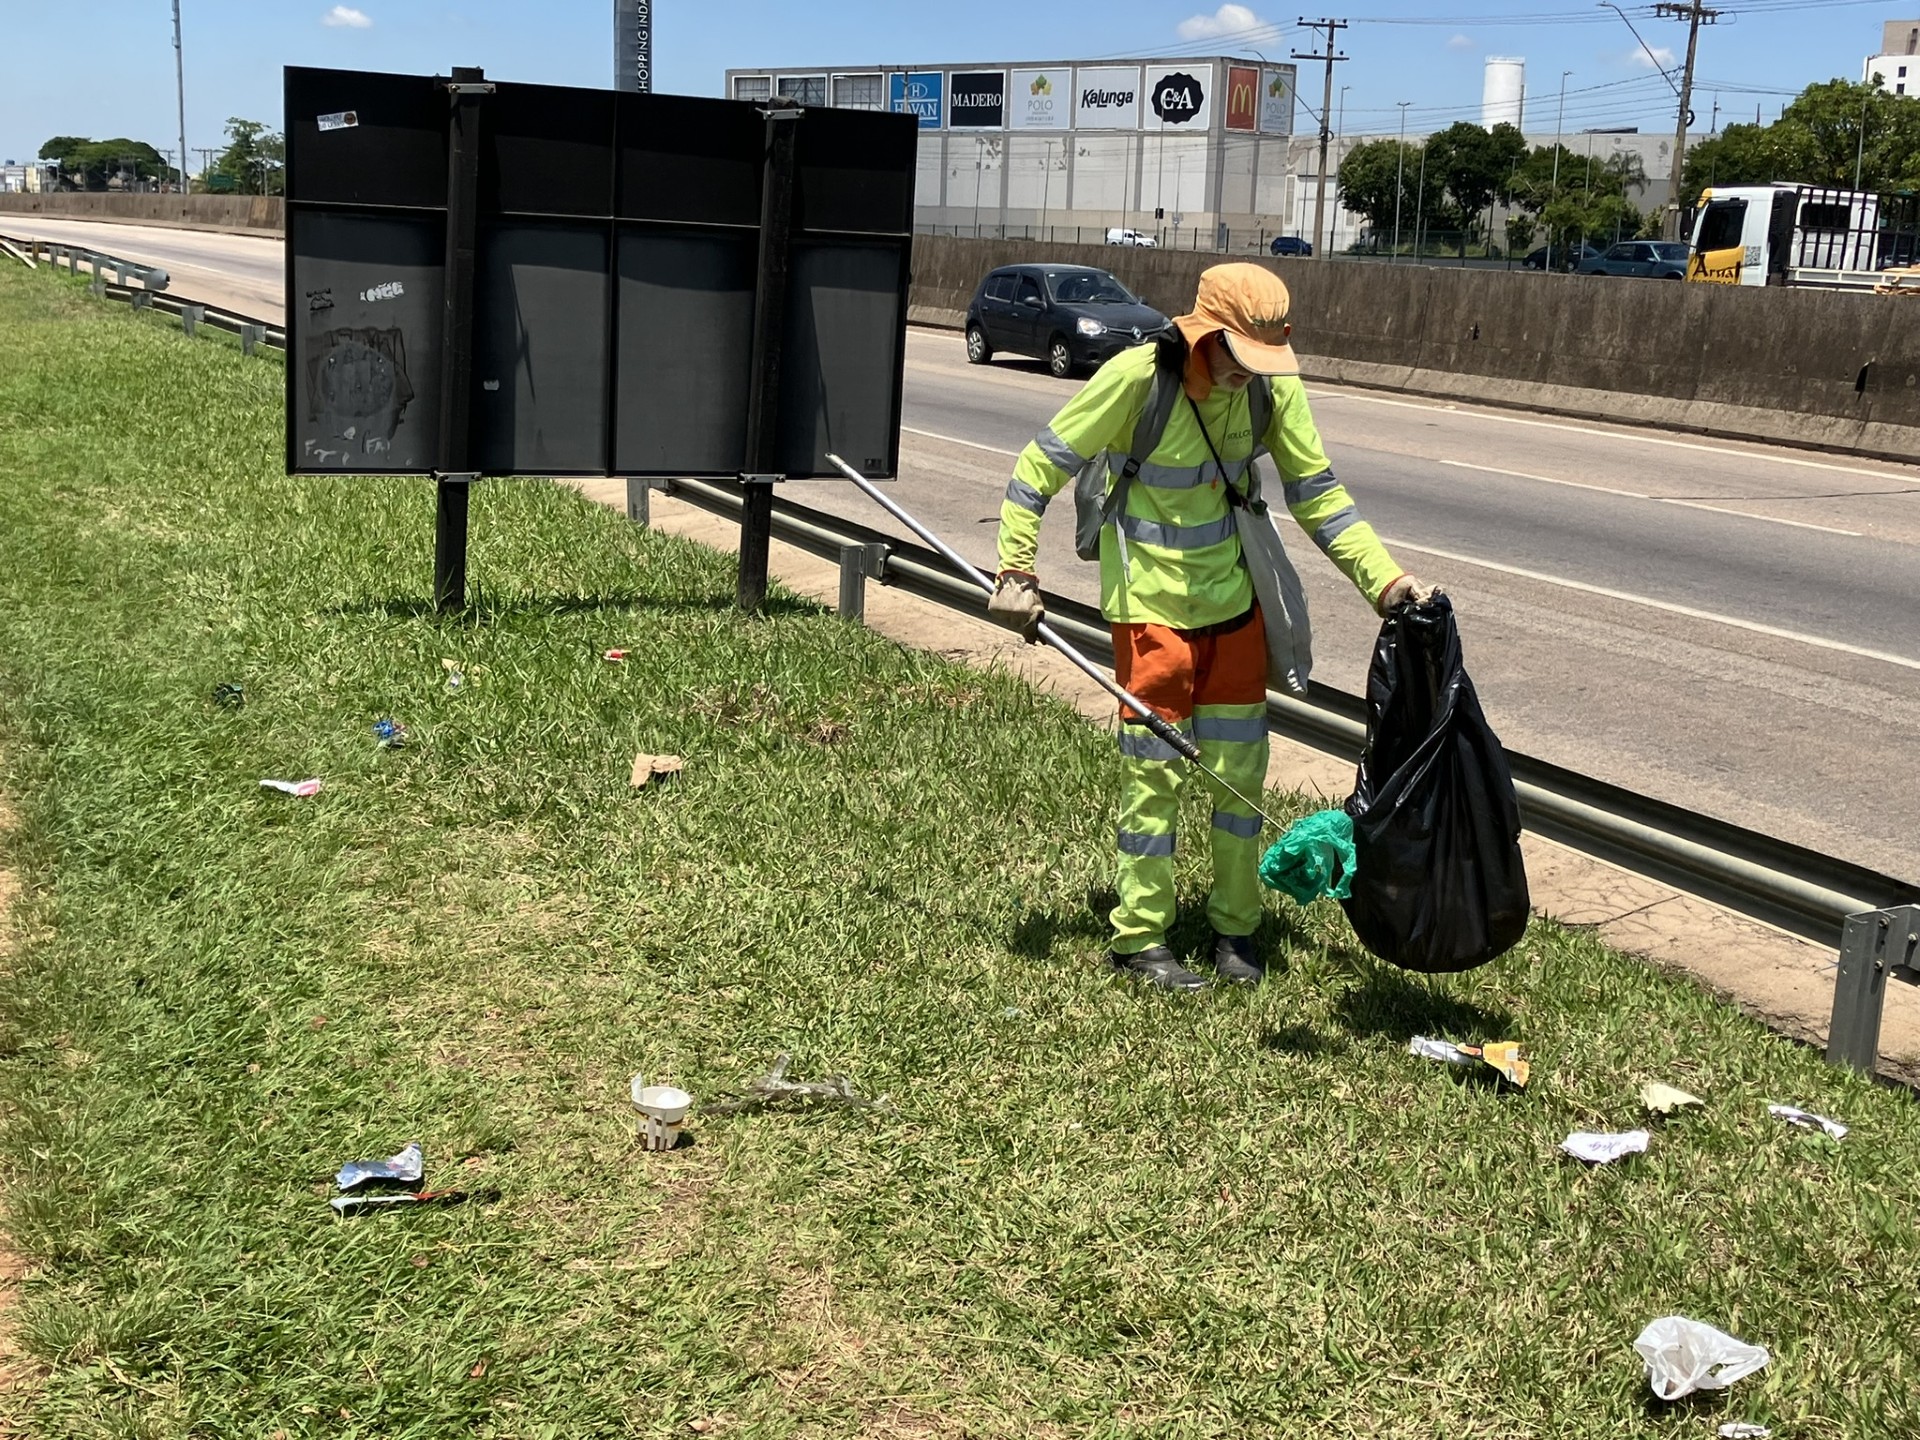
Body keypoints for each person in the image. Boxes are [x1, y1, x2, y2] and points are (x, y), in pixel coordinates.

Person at [986, 262, 1431, 992]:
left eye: (1263, 362)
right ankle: (1139, 939)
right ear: (1202, 335)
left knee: (1239, 779)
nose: (1246, 376)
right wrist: (1015, 572)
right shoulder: (1138, 379)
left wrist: (1386, 582)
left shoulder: (1270, 389)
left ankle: (1236, 930)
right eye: (1237, 358)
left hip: (1233, 607)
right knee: (1153, 780)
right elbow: (1036, 469)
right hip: (1149, 613)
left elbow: (1319, 496)